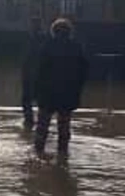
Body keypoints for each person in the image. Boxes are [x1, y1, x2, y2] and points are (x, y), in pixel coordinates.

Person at [34, 18, 88, 158]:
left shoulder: (47, 46)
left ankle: (37, 154)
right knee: (64, 127)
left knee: (42, 127)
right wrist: (77, 93)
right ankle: (63, 155)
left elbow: (39, 71)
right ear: (70, 32)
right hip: (67, 95)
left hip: (48, 94)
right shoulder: (76, 47)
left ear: (53, 31)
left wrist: (36, 93)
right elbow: (83, 73)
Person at [20, 17, 46, 130]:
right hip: (35, 73)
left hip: (34, 73)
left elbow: (27, 56)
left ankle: (30, 121)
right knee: (36, 99)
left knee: (28, 99)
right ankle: (36, 121)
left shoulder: (33, 38)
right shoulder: (43, 38)